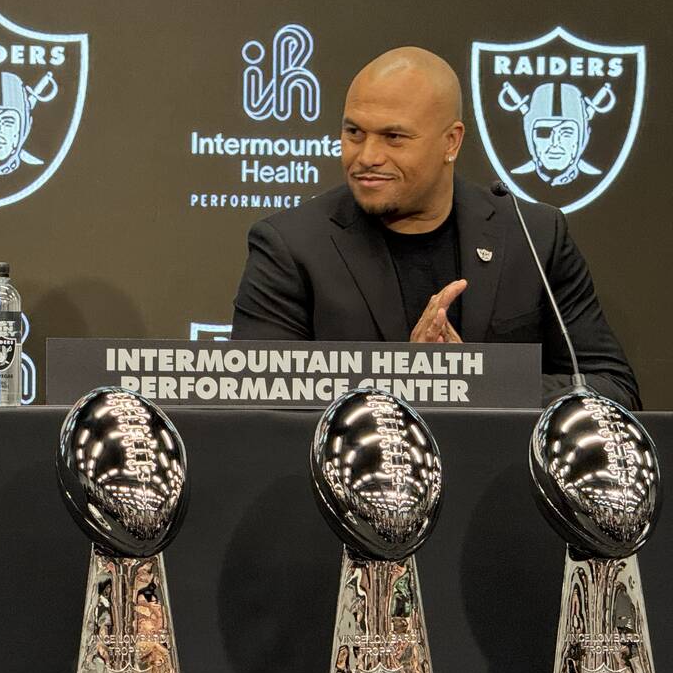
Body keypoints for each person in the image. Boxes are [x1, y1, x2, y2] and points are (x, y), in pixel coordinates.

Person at [230, 46, 640, 409]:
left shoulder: (533, 236)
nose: (366, 155)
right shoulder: (290, 245)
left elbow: (614, 388)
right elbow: (258, 406)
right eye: (354, 132)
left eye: (394, 137)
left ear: (451, 142)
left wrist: (477, 383)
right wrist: (410, 381)